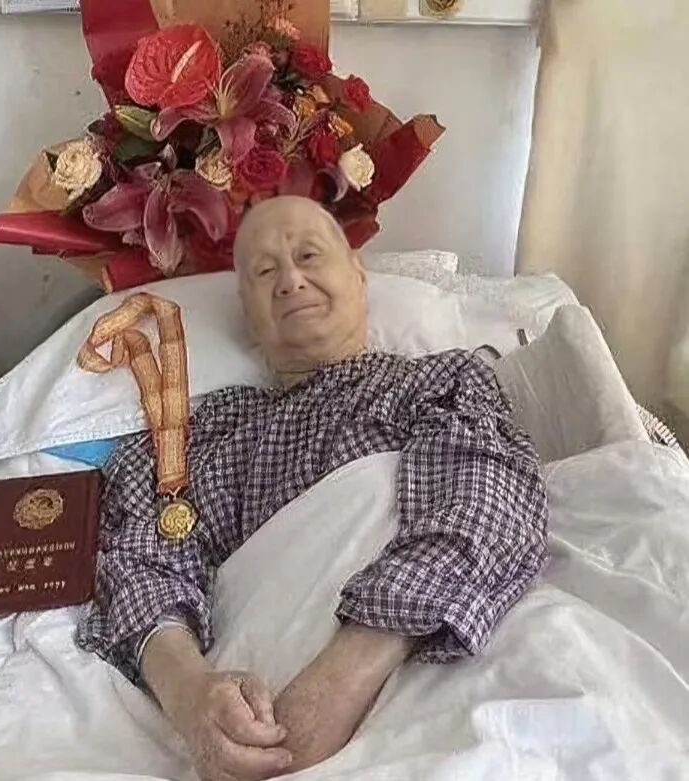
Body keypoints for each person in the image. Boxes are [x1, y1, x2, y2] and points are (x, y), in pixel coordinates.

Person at [77, 196, 549, 781]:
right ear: (247, 311)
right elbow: (141, 559)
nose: (290, 280)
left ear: (358, 276)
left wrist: (348, 670)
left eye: (308, 256)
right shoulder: (205, 436)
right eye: (265, 271)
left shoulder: (438, 381)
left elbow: (483, 500)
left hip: (427, 662)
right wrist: (191, 695)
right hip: (253, 695)